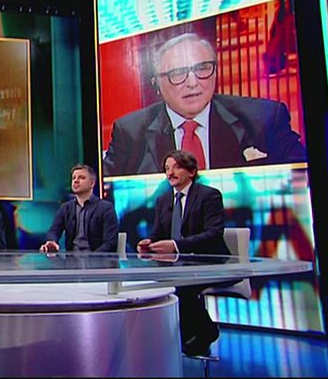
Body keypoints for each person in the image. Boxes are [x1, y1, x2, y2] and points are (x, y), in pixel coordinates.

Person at [103, 32, 306, 177]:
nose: (193, 83)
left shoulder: (264, 118)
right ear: (156, 82)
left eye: (203, 68)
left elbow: (303, 176)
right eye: (178, 73)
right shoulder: (130, 132)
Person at [137, 149, 229, 356]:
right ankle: (185, 336)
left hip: (210, 263)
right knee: (155, 285)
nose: (170, 173)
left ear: (192, 171)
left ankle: (201, 333)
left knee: (180, 286)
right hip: (176, 265)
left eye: (176, 167)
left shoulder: (209, 195)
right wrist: (148, 242)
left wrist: (176, 245)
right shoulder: (163, 200)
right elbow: (158, 233)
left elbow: (214, 234)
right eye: (166, 169)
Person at [40, 164, 119, 253]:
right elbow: (54, 230)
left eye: (81, 178)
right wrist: (52, 241)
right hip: (71, 259)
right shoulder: (66, 208)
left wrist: (93, 258)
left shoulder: (105, 208)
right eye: (74, 178)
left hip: (97, 259)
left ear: (92, 183)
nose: (76, 181)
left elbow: (110, 243)